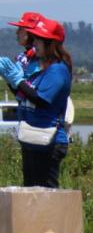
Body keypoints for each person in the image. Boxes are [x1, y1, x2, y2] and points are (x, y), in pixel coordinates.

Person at [1, 17, 72, 187]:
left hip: (49, 140)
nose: (35, 44)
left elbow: (41, 99)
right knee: (30, 190)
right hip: (33, 136)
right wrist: (13, 81)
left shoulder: (57, 70)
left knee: (46, 193)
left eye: (39, 40)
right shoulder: (42, 69)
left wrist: (18, 80)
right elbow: (24, 96)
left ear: (51, 44)